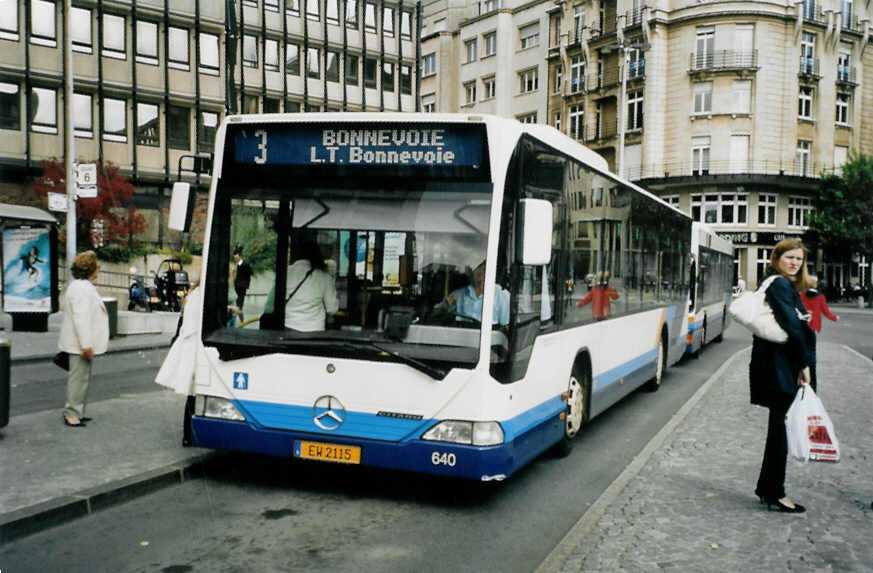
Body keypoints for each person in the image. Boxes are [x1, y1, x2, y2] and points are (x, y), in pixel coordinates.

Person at [749, 239, 815, 514]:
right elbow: (791, 327)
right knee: (780, 432)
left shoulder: (781, 285)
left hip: (778, 366)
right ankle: (775, 492)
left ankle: (768, 489)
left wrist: (802, 317)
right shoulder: (779, 284)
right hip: (781, 368)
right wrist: (804, 365)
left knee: (779, 429)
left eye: (799, 259)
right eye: (789, 257)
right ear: (777, 258)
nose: (795, 263)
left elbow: (790, 319)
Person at [58, 251, 109, 427]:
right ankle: (72, 414)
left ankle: (77, 412)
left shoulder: (80, 286)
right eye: (96, 267)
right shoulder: (82, 289)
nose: (98, 270)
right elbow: (81, 318)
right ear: (90, 268)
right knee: (78, 380)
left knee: (81, 379)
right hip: (79, 345)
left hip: (78, 344)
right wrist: (85, 344)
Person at [156, 281, 202, 446]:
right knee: (193, 393)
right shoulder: (202, 295)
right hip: (196, 347)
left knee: (192, 394)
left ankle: (188, 435)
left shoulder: (194, 293)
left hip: (189, 343)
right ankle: (189, 435)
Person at [284, 240, 339, 331]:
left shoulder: (286, 272)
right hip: (314, 330)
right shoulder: (324, 277)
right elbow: (332, 309)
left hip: (288, 326)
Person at [434, 261, 510, 326]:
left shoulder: (502, 295)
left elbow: (506, 327)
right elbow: (432, 316)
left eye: (484, 266)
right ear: (467, 271)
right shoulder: (459, 294)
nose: (481, 270)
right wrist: (445, 307)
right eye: (477, 266)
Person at [800, 275, 838, 393]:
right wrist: (835, 318)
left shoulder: (801, 295)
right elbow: (826, 311)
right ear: (816, 284)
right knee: (811, 355)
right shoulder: (820, 297)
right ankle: (813, 386)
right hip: (813, 328)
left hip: (801, 327)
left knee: (801, 352)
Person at [232, 245, 252, 313]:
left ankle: (239, 309)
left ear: (239, 256)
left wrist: (247, 284)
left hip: (242, 284)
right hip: (236, 284)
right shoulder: (235, 264)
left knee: (241, 298)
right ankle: (237, 309)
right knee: (237, 298)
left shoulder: (245, 264)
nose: (235, 257)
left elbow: (248, 275)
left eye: (236, 256)